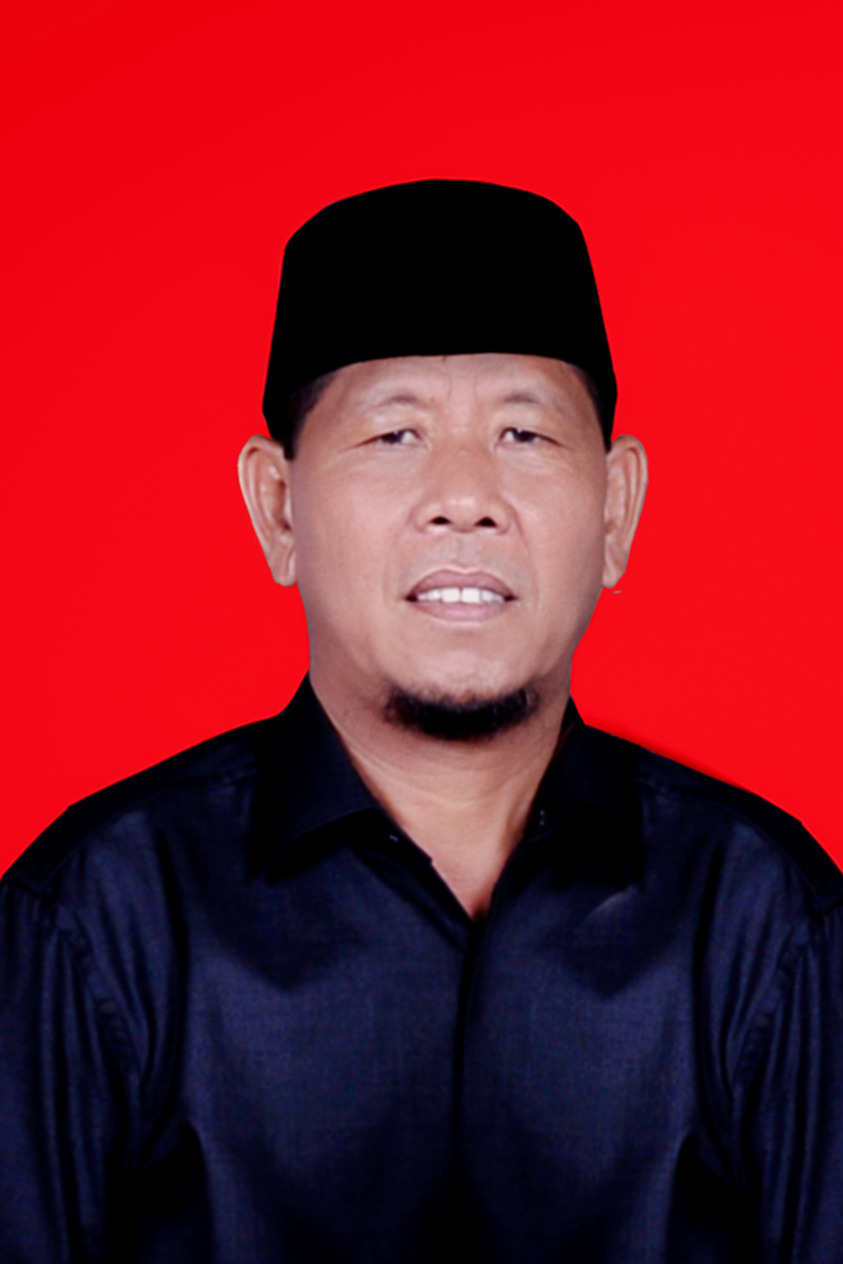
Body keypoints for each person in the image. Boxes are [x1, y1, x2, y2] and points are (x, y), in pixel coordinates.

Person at [1, 179, 841, 1263]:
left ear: (617, 508)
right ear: (278, 507)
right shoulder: (98, 920)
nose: (464, 496)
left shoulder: (766, 922)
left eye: (524, 432)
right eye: (394, 433)